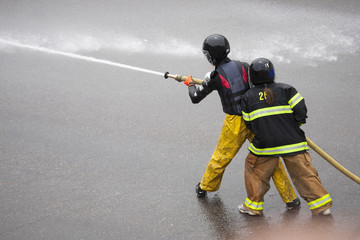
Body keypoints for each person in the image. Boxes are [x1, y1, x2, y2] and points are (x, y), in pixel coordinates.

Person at [185, 34, 300, 208]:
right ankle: (290, 198)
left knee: (222, 156)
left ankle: (205, 187)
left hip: (235, 123)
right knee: (271, 158)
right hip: (255, 118)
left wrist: (190, 84)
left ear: (210, 56)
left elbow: (195, 98)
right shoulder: (245, 66)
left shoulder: (214, 76)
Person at [238, 57, 332, 216]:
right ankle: (322, 207)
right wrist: (292, 128)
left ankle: (253, 207)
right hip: (293, 142)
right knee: (304, 174)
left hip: (265, 146)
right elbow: (301, 112)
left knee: (255, 172)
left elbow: (249, 123)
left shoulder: (248, 97)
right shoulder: (287, 89)